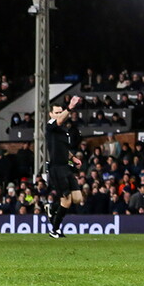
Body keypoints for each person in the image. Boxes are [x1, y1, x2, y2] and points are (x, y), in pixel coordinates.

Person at [44, 95, 83, 238]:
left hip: (66, 167)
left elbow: (63, 149)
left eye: (61, 112)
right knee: (66, 200)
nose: (59, 115)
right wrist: (70, 107)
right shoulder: (50, 126)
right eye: (56, 112)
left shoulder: (62, 131)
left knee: (78, 198)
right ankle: (54, 230)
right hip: (56, 168)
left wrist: (73, 158)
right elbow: (60, 120)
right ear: (51, 114)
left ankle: (52, 208)